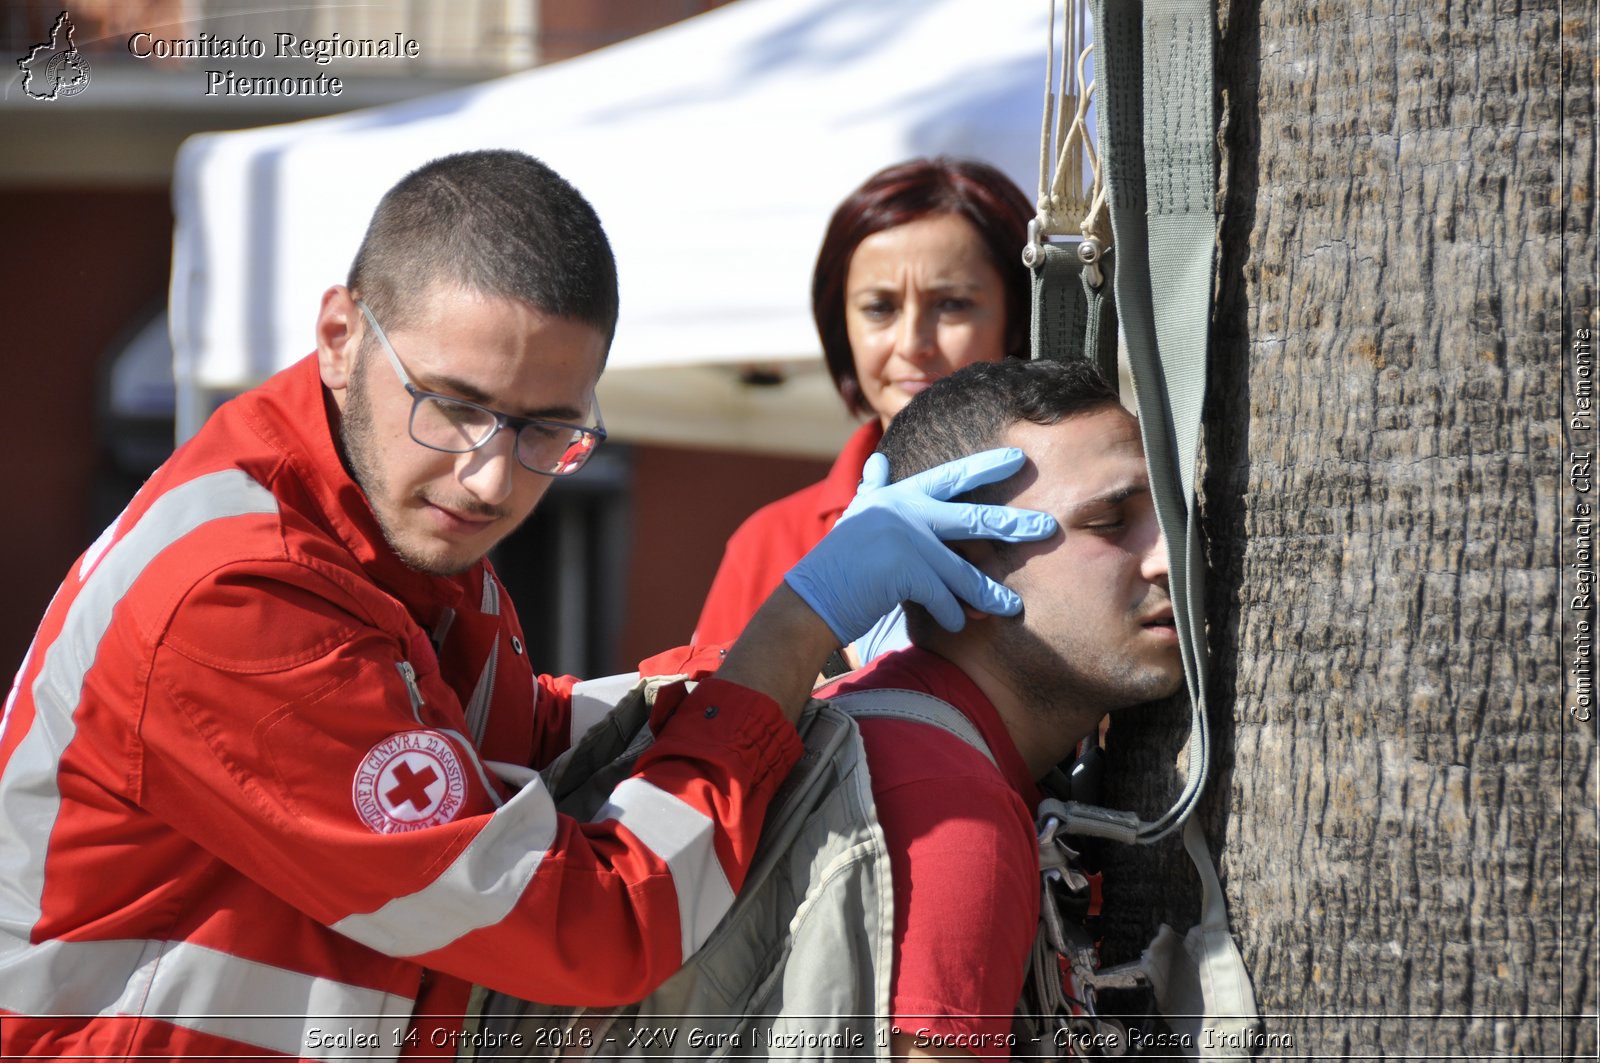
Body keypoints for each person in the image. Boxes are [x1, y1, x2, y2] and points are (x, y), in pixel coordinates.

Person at [0, 150, 1057, 1062]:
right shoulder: (241, 596)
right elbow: (589, 928)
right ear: (336, 333)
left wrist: (750, 670)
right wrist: (790, 635)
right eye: (452, 405)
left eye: (547, 429)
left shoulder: (376, 504)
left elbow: (528, 735)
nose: (491, 479)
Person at [820, 357, 1184, 1060]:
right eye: (1111, 520)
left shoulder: (878, 722)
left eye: (1166, 516)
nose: (1167, 556)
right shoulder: (956, 817)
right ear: (960, 557)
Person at [692, 157, 1033, 651]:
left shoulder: (1093, 507)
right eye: (880, 308)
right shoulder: (768, 541)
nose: (913, 343)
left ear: (1018, 317)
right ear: (841, 326)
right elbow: (715, 717)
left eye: (952, 303)